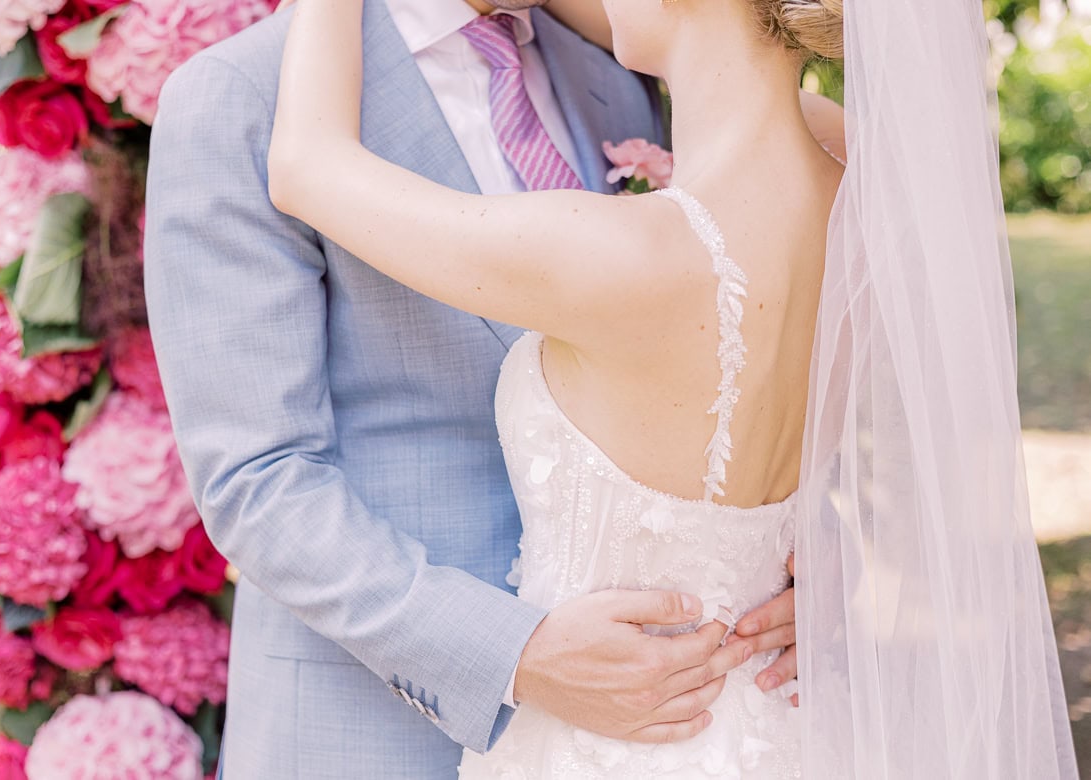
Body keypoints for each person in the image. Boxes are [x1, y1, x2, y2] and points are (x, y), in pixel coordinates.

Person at [267, 0, 1079, 778]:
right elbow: (747, 58)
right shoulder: (864, 199)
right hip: (776, 729)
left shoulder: (617, 254)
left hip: (609, 748)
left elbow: (306, 167)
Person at [144, 1, 823, 776]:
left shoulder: (621, 70)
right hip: (371, 734)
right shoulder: (241, 95)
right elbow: (257, 481)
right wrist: (513, 654)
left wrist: (791, 563)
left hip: (673, 714)